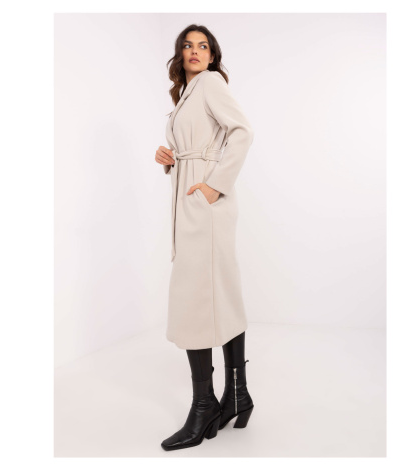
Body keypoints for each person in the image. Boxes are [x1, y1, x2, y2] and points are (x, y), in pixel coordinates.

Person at [155, 25, 255, 451]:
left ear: (212, 56)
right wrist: (168, 158)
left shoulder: (211, 83)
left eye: (203, 46)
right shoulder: (185, 94)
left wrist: (214, 185)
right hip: (193, 200)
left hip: (206, 204)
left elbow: (242, 132)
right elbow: (195, 147)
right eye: (187, 45)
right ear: (180, 54)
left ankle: (204, 406)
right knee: (218, 293)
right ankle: (237, 395)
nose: (194, 51)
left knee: (196, 298)